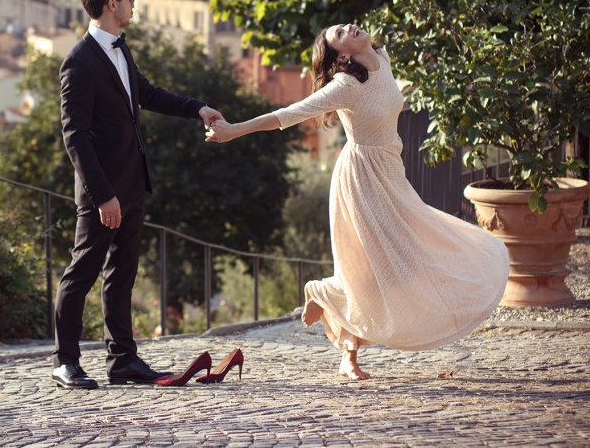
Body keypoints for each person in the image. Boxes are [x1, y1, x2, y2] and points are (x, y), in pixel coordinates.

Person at [205, 23, 508, 380]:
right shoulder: (346, 86)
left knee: (406, 257)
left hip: (390, 171)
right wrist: (235, 130)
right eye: (339, 35)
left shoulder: (382, 56)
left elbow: (393, 97)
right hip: (361, 177)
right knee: (369, 267)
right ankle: (343, 340)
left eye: (343, 26)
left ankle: (327, 296)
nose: (348, 28)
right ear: (342, 56)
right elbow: (289, 114)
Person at [52, 0, 224, 390]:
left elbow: (145, 94)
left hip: (132, 184)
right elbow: (74, 136)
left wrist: (197, 108)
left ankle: (122, 361)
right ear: (112, 4)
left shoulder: (120, 49)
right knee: (81, 274)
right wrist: (102, 195)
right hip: (103, 193)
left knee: (121, 277)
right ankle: (65, 362)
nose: (133, 4)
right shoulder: (78, 63)